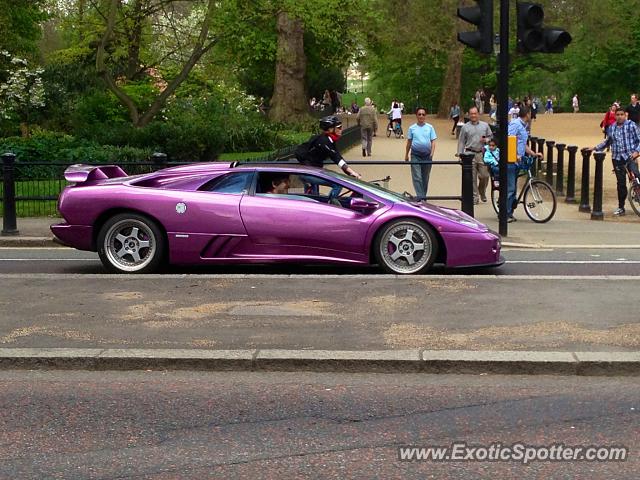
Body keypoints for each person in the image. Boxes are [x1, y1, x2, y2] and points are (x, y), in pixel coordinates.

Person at [591, 107, 640, 216]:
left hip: (630, 156)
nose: (619, 116)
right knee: (621, 183)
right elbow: (607, 142)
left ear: (625, 115)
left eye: (622, 114)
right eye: (617, 114)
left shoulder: (631, 125)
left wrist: (637, 151)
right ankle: (621, 207)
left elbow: (639, 139)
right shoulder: (612, 128)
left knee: (636, 175)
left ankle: (638, 194)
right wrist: (594, 148)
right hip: (617, 158)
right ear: (615, 116)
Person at [294, 115, 362, 179]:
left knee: (315, 190)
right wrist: (352, 172)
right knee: (337, 185)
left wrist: (350, 173)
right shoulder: (324, 141)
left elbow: (338, 157)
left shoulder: (329, 139)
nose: (341, 129)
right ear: (330, 129)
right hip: (309, 170)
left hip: (313, 168)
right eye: (339, 127)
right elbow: (336, 157)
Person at [507, 106, 543, 222]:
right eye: (530, 114)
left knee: (513, 187)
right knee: (511, 188)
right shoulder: (515, 124)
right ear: (527, 114)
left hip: (518, 160)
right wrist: (514, 154)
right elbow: (509, 139)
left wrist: (533, 153)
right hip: (511, 160)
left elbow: (522, 144)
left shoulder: (523, 126)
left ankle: (509, 210)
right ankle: (505, 214)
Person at [457, 106, 493, 204]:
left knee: (485, 176)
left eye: (475, 113)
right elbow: (461, 141)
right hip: (469, 153)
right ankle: (475, 197)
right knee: (472, 177)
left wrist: (487, 140)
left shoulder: (485, 125)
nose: (473, 115)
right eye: (471, 114)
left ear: (478, 114)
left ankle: (482, 191)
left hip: (482, 153)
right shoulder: (465, 127)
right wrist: (460, 154)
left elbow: (491, 137)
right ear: (469, 115)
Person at [404, 107, 437, 201]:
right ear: (416, 116)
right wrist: (406, 154)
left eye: (423, 114)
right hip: (415, 155)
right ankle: (421, 197)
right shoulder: (412, 128)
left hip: (427, 156)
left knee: (425, 177)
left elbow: (433, 141)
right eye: (419, 114)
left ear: (425, 116)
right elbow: (409, 142)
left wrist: (432, 153)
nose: (421, 116)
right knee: (417, 177)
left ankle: (423, 196)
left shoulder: (430, 127)